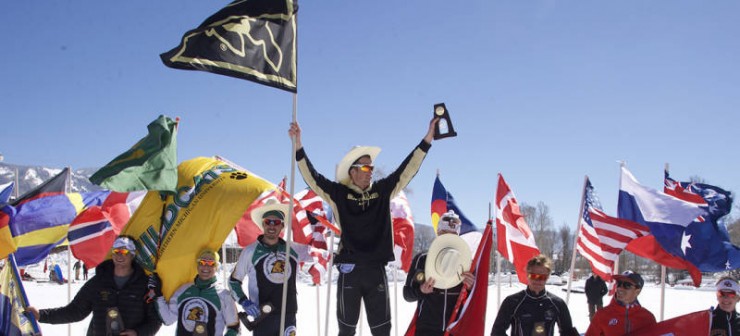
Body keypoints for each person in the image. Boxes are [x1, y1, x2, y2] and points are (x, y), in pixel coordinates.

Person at [289, 117, 438, 336]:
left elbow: (407, 170)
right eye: (366, 166)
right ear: (353, 171)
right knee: (346, 331)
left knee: (382, 331)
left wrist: (427, 140)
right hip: (350, 270)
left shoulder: (382, 191)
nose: (371, 171)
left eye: (372, 166)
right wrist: (298, 144)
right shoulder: (339, 194)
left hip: (376, 270)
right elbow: (312, 178)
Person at [26, 236, 161, 336]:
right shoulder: (98, 282)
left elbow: (155, 320)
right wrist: (41, 315)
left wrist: (137, 333)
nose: (120, 255)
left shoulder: (144, 284)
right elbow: (75, 311)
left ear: (132, 255)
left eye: (125, 252)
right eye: (116, 251)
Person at [229, 200, 311, 336]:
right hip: (262, 317)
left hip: (288, 316)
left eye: (276, 222)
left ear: (282, 226)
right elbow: (233, 282)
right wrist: (245, 302)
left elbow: (323, 254)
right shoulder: (250, 252)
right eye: (268, 222)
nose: (272, 226)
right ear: (263, 224)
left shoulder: (294, 249)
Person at [403, 210, 474, 336]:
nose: (448, 237)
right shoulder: (422, 259)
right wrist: (421, 291)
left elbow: (475, 303)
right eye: (445, 233)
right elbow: (407, 294)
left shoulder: (467, 262)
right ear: (438, 232)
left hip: (455, 329)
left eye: (453, 234)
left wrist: (471, 288)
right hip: (426, 330)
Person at [153, 249, 240, 336]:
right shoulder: (183, 290)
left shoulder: (224, 295)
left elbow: (234, 328)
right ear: (197, 265)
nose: (206, 267)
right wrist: (158, 295)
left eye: (211, 263)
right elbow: (168, 319)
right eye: (202, 262)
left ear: (216, 267)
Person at [491, 254, 577, 336]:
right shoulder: (512, 301)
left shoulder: (558, 303)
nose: (538, 281)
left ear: (547, 277)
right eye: (534, 276)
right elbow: (497, 332)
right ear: (527, 275)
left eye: (542, 277)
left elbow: (568, 332)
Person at [585, 271, 656, 336]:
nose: (620, 288)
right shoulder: (602, 315)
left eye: (627, 285)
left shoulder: (648, 318)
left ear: (637, 291)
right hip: (592, 301)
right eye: (619, 284)